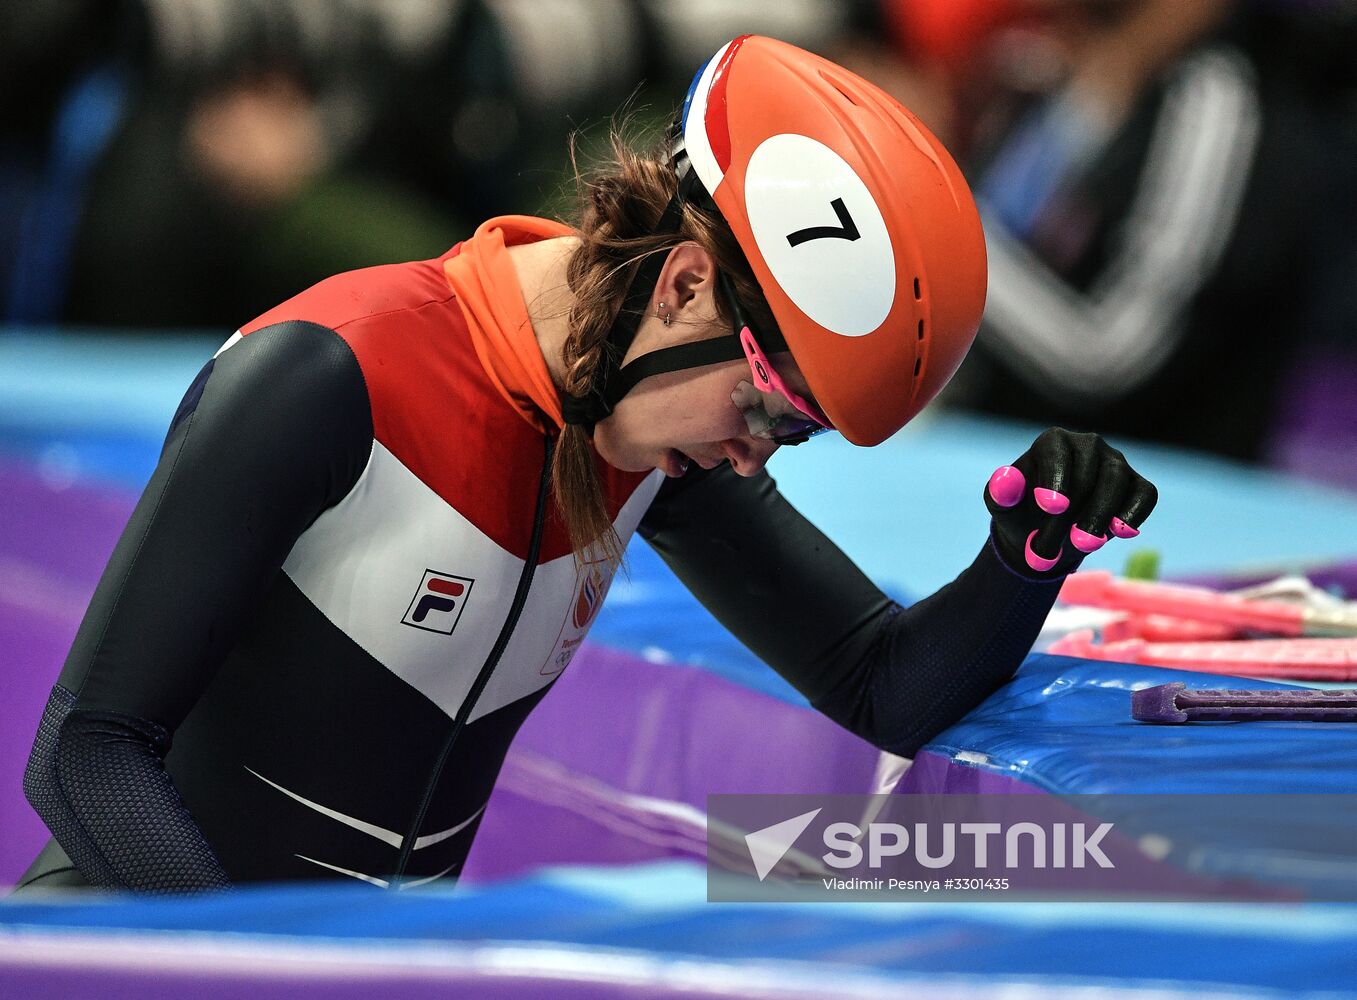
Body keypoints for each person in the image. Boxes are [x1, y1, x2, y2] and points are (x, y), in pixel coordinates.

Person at [16, 35, 1155, 894]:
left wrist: (1026, 558)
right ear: (683, 289)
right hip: (144, 948)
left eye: (795, 435)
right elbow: (87, 754)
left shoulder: (650, 436)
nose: (757, 457)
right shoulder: (330, 376)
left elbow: (880, 683)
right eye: (773, 408)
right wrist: (282, 971)